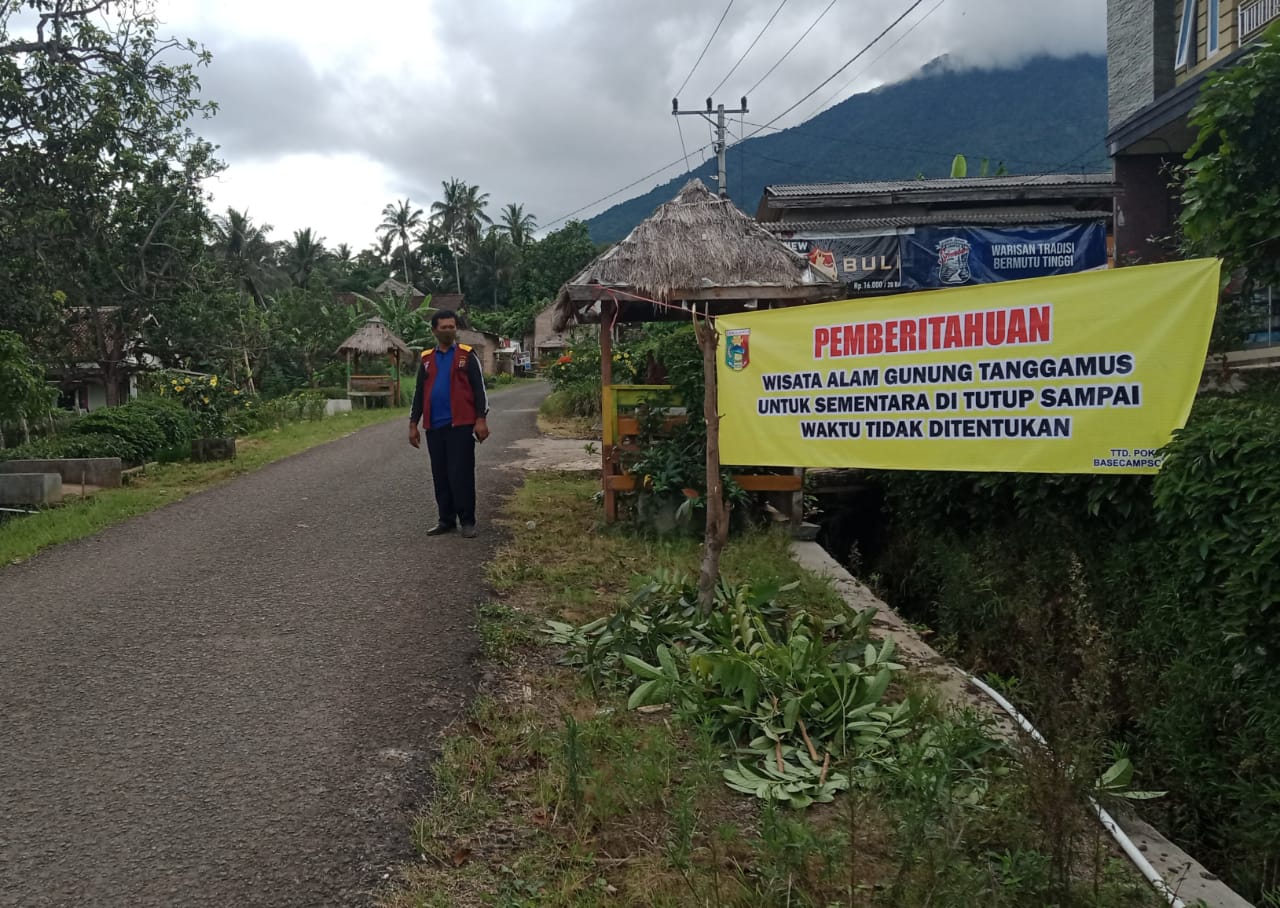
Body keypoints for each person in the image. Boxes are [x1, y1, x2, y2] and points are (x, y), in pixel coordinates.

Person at [409, 310, 490, 537]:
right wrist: (413, 423)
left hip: (461, 426)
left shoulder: (466, 355)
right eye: (443, 327)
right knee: (440, 473)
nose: (448, 331)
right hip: (434, 426)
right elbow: (419, 393)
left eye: (452, 326)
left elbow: (479, 389)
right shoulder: (426, 359)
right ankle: (446, 520)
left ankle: (467, 521)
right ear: (434, 330)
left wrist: (481, 419)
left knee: (461, 473)